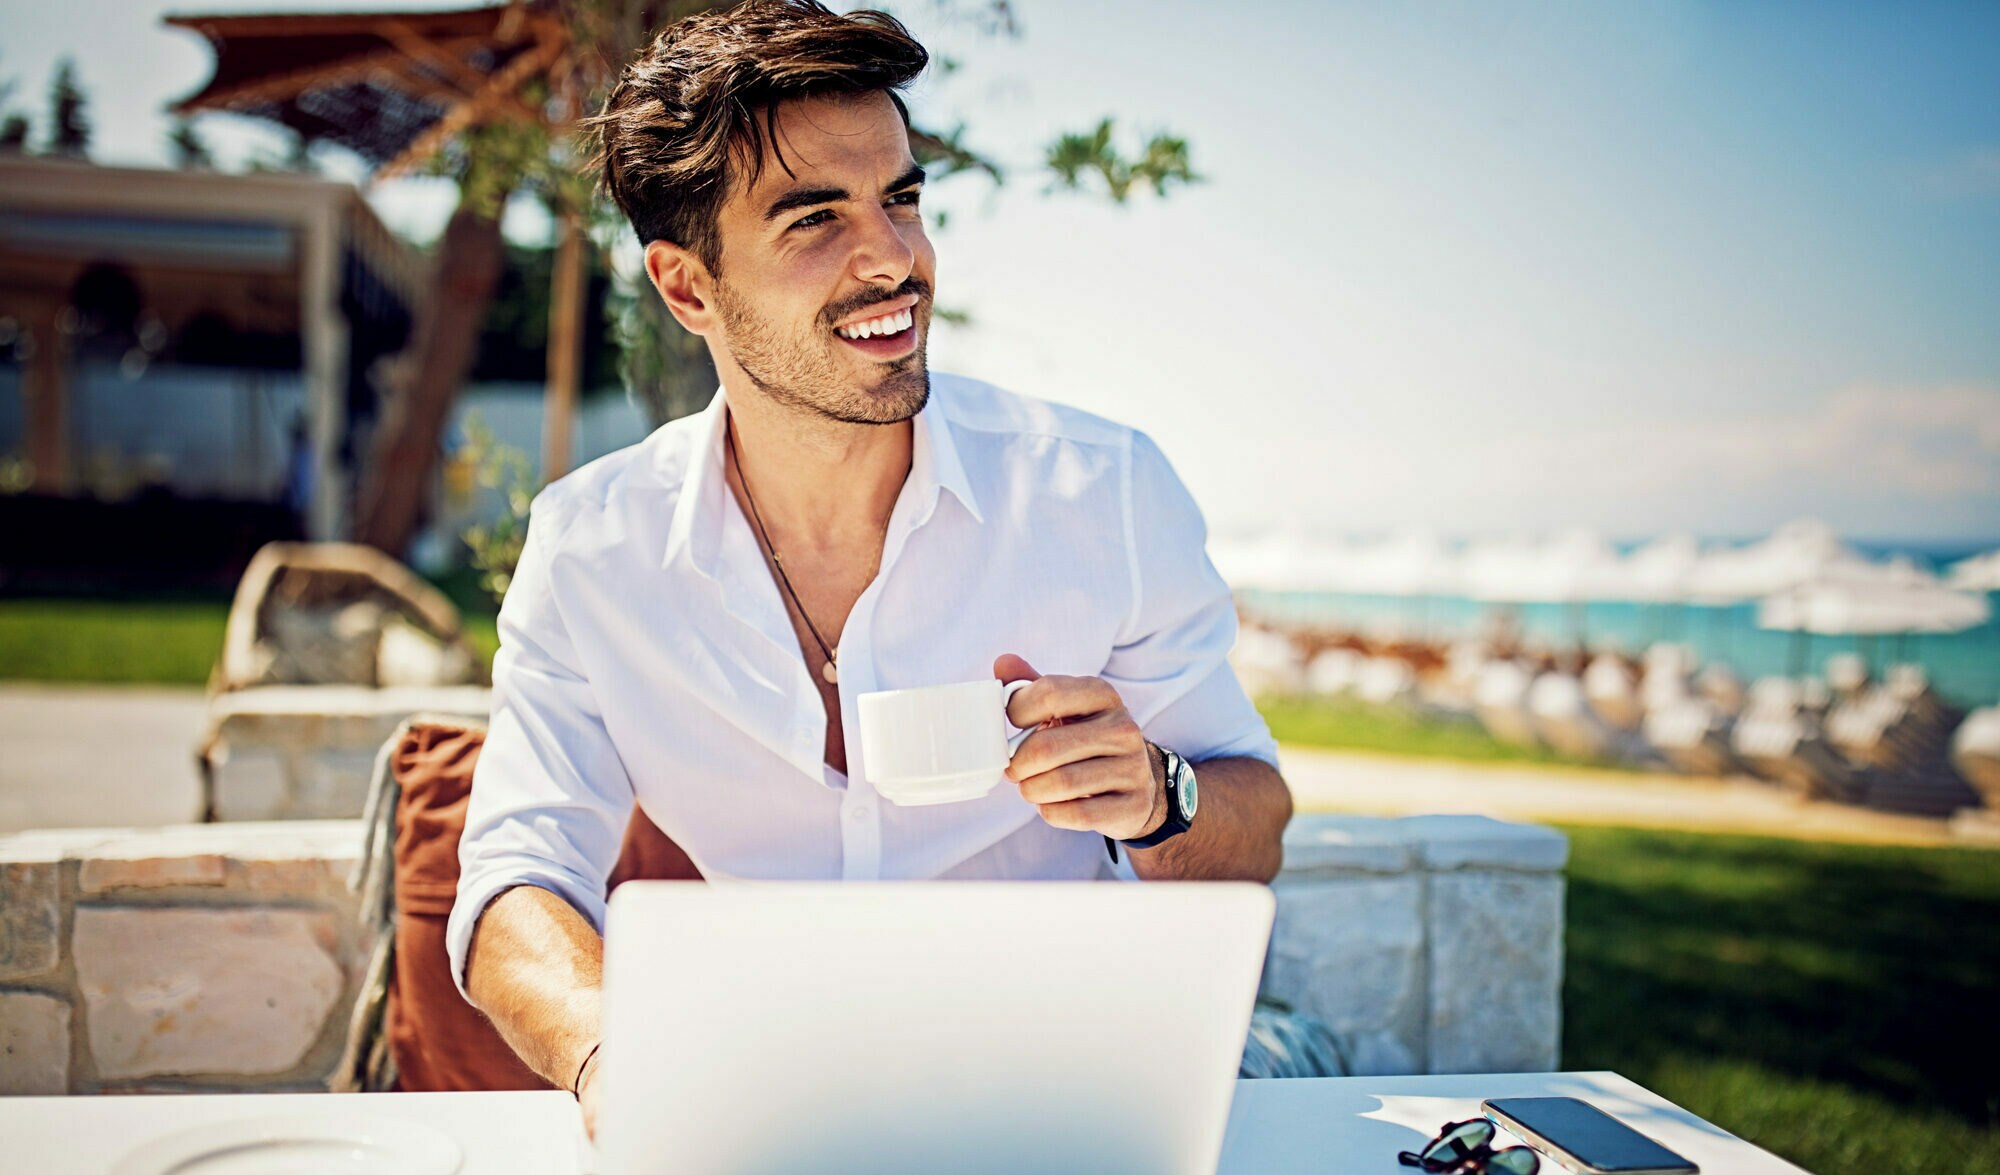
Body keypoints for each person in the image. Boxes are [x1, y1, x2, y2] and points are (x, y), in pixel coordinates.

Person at [449, 0, 1314, 1137]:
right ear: (687, 287)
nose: (894, 258)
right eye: (815, 218)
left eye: (900, 199)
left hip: (1083, 1079)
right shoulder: (591, 551)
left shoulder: (1100, 490)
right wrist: (618, 1061)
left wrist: (1159, 794)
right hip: (782, 1102)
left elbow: (1254, 826)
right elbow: (516, 878)